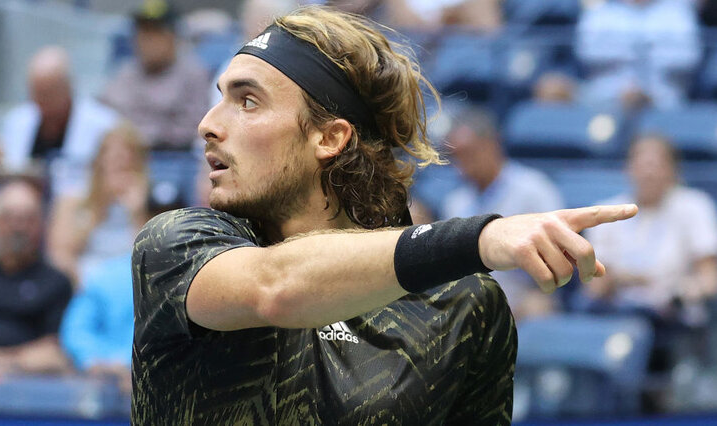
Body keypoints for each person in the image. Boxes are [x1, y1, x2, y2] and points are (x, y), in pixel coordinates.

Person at [131, 6, 637, 424]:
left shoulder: (461, 306)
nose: (207, 125)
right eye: (220, 98)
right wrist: (479, 240)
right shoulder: (176, 246)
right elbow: (275, 287)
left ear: (329, 138)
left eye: (247, 101)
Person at [439, 107, 564, 321]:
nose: (462, 165)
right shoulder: (455, 203)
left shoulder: (533, 189)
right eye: (456, 157)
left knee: (539, 306)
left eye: (469, 153)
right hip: (470, 304)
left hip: (525, 296)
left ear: (491, 145)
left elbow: (558, 257)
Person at [584, 134, 717, 324]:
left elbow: (709, 279)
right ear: (628, 169)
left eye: (656, 165)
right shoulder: (605, 212)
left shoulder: (694, 207)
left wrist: (680, 291)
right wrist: (627, 279)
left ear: (673, 170)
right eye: (641, 165)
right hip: (616, 313)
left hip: (675, 319)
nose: (649, 173)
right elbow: (594, 287)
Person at [0, 179, 73, 384]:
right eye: (10, 218)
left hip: (27, 386)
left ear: (41, 226)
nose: (18, 227)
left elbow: (54, 352)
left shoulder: (56, 283)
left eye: (27, 219)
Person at [0, 46, 118, 195]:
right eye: (37, 93)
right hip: (30, 210)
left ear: (68, 88)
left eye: (49, 93)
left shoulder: (104, 125)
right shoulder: (17, 121)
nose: (42, 102)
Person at [100, 0, 209, 151]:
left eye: (155, 32)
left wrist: (144, 136)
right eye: (143, 32)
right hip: (127, 157)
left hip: (172, 160)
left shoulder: (192, 74)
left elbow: (195, 128)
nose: (148, 40)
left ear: (173, 37)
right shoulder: (126, 72)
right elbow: (104, 116)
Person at [48, 122, 149, 285]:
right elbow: (60, 254)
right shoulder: (72, 199)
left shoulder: (152, 202)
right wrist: (98, 206)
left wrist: (136, 213)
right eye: (114, 161)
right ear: (99, 163)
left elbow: (153, 258)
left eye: (126, 163)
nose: (120, 167)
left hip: (131, 284)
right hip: (86, 282)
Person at [575, 0, 701, 110]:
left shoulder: (677, 12)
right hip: (607, 93)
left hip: (663, 94)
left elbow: (688, 57)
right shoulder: (601, 11)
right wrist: (644, 49)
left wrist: (628, 49)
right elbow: (587, 52)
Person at [60, 253, 134, 399]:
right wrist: (95, 361)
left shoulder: (186, 279)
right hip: (104, 387)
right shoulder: (105, 275)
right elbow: (76, 329)